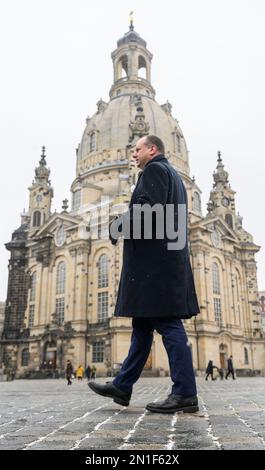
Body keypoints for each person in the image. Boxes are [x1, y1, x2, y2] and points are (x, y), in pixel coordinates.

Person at [88, 135, 200, 413]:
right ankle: (122, 385)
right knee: (141, 328)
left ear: (153, 149)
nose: (133, 154)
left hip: (156, 265)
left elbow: (148, 210)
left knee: (168, 325)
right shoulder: (170, 174)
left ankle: (185, 392)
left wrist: (118, 226)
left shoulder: (155, 170)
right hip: (160, 262)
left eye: (137, 149)